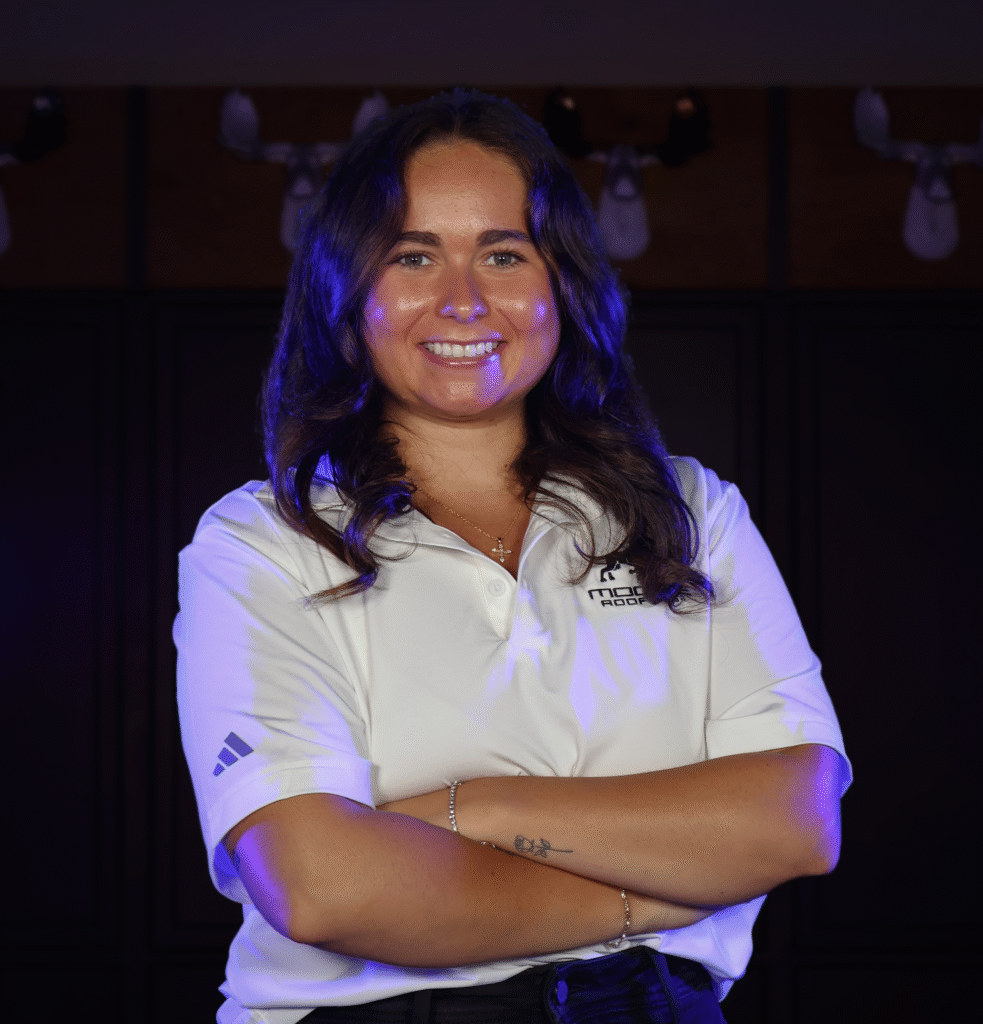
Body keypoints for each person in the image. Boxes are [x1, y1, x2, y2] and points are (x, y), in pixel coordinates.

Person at [176, 88, 851, 1024]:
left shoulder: (690, 510)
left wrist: (469, 807)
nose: (462, 299)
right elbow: (321, 885)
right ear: (347, 289)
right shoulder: (263, 542)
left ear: (560, 283)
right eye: (413, 255)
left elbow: (795, 820)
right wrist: (645, 899)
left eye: (503, 253)